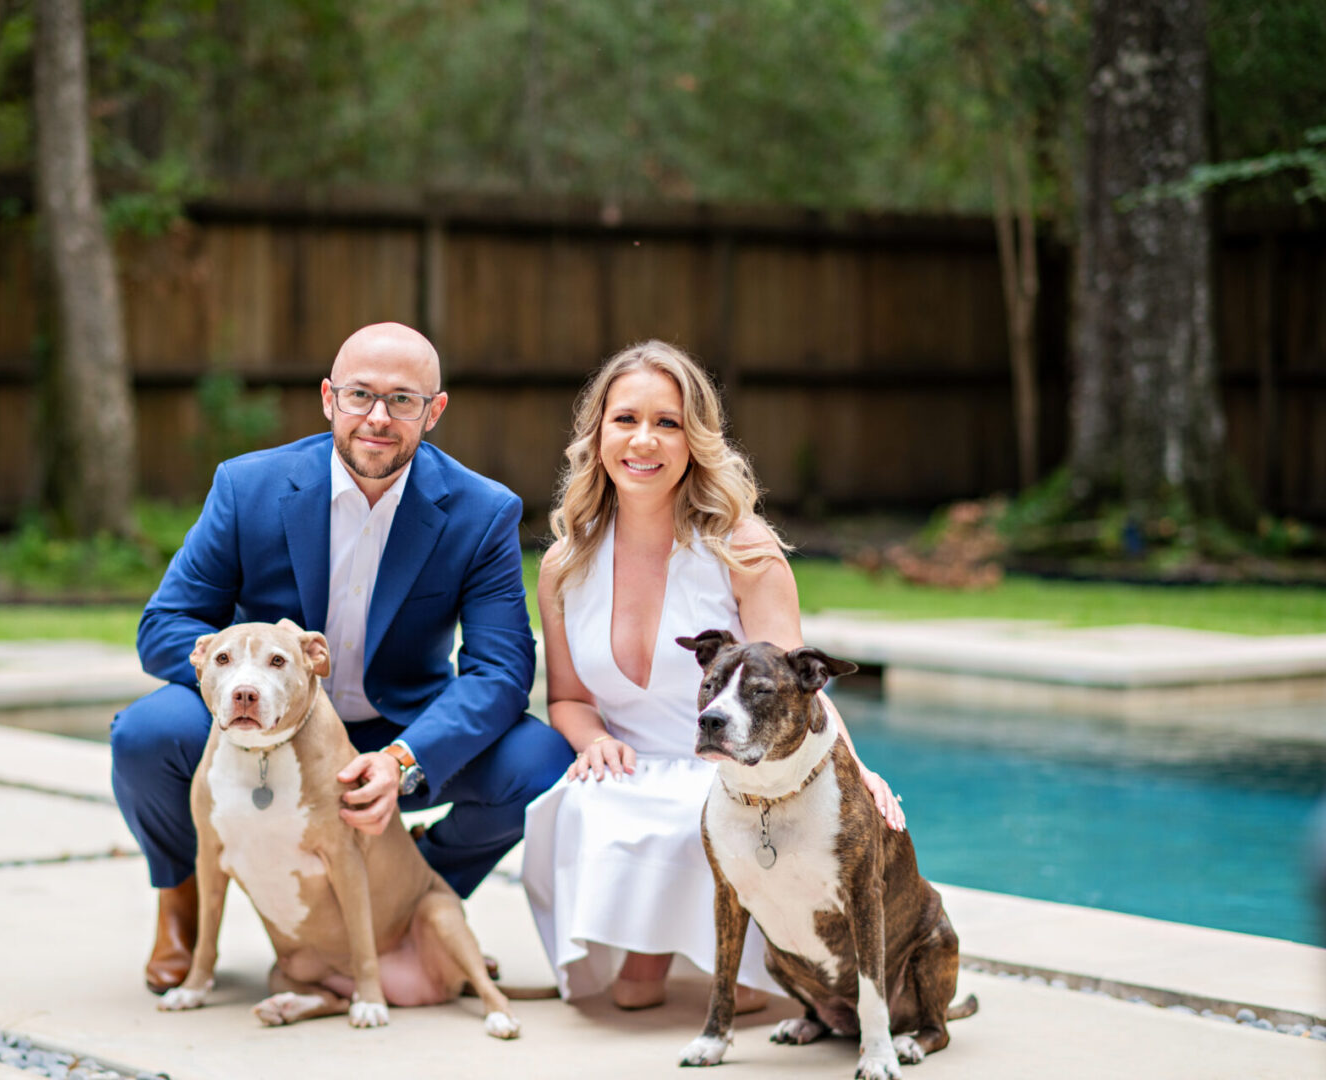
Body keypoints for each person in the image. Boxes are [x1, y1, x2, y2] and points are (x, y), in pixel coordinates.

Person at [113, 321, 575, 995]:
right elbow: (165, 625)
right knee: (145, 735)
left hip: (395, 730)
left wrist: (404, 761)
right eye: (360, 395)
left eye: (403, 400)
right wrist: (244, 675)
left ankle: (419, 894)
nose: (378, 419)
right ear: (329, 398)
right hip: (267, 718)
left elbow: (501, 672)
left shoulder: (481, 512)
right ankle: (180, 894)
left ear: (434, 411)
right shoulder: (248, 488)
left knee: (541, 765)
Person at [521, 340, 905, 1010]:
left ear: (695, 439)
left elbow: (798, 690)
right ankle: (642, 960)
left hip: (735, 772)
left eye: (667, 422)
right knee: (582, 797)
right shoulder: (564, 563)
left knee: (695, 811)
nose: (644, 441)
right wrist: (592, 741)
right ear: (597, 433)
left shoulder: (742, 550)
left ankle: (734, 973)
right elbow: (568, 697)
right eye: (625, 420)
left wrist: (858, 772)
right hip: (630, 767)